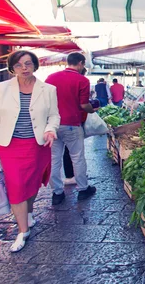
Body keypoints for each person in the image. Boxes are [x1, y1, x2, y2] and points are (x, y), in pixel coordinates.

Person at [0, 50, 60, 252]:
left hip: (37, 146)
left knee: (32, 183)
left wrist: (51, 130)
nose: (24, 68)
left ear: (35, 65)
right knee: (16, 185)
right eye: (18, 65)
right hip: (10, 146)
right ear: (12, 68)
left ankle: (29, 211)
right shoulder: (1, 88)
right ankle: (22, 231)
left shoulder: (48, 89)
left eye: (28, 63)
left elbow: (54, 116)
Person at [45, 52, 96, 206]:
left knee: (54, 160)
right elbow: (83, 105)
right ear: (80, 63)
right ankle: (82, 189)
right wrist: (92, 110)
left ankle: (57, 193)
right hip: (72, 125)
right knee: (77, 157)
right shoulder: (82, 80)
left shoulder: (50, 78)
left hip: (52, 125)